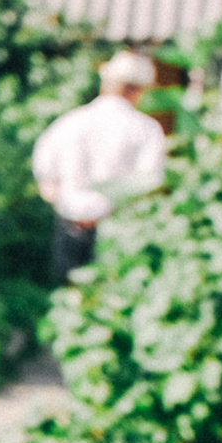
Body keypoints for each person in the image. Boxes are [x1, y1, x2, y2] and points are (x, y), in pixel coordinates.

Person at [32, 50, 167, 284]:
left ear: (107, 83)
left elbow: (46, 179)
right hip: (118, 228)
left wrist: (73, 206)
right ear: (137, 90)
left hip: (70, 224)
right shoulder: (146, 129)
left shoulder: (69, 122)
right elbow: (149, 183)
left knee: (69, 298)